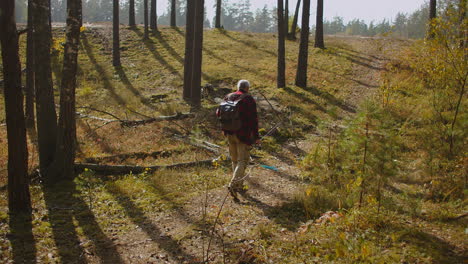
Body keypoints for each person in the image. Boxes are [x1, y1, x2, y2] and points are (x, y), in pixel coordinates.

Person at [217, 80, 260, 195]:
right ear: (247, 88)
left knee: (234, 160)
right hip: (243, 135)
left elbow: (218, 113)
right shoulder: (248, 99)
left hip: (228, 132)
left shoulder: (228, 96)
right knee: (243, 160)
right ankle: (233, 184)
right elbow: (253, 119)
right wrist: (256, 136)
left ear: (238, 87)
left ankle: (239, 186)